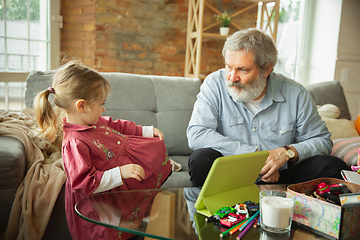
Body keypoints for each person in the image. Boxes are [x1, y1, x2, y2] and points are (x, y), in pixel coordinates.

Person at [187, 28, 349, 187]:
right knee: (200, 159)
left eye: (243, 69)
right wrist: (254, 157)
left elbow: (322, 141)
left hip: (283, 173)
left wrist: (287, 153)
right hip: (232, 172)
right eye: (229, 66)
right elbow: (197, 133)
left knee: (333, 166)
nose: (232, 77)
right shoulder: (214, 83)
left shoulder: (296, 93)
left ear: (266, 69)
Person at [33, 61, 172, 240]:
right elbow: (84, 182)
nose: (103, 109)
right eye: (101, 104)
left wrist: (144, 130)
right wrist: (120, 173)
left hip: (113, 186)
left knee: (130, 226)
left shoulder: (93, 121)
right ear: (81, 106)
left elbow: (117, 125)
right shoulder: (74, 142)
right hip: (98, 202)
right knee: (110, 233)